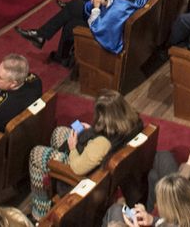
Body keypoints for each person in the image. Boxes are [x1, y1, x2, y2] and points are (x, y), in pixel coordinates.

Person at [26, 92, 142, 220]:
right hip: (94, 153)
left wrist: (72, 148)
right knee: (58, 133)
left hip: (83, 172)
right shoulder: (132, 123)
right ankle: (51, 180)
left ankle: (40, 213)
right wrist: (92, 130)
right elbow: (105, 140)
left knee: (37, 154)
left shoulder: (102, 143)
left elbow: (77, 168)